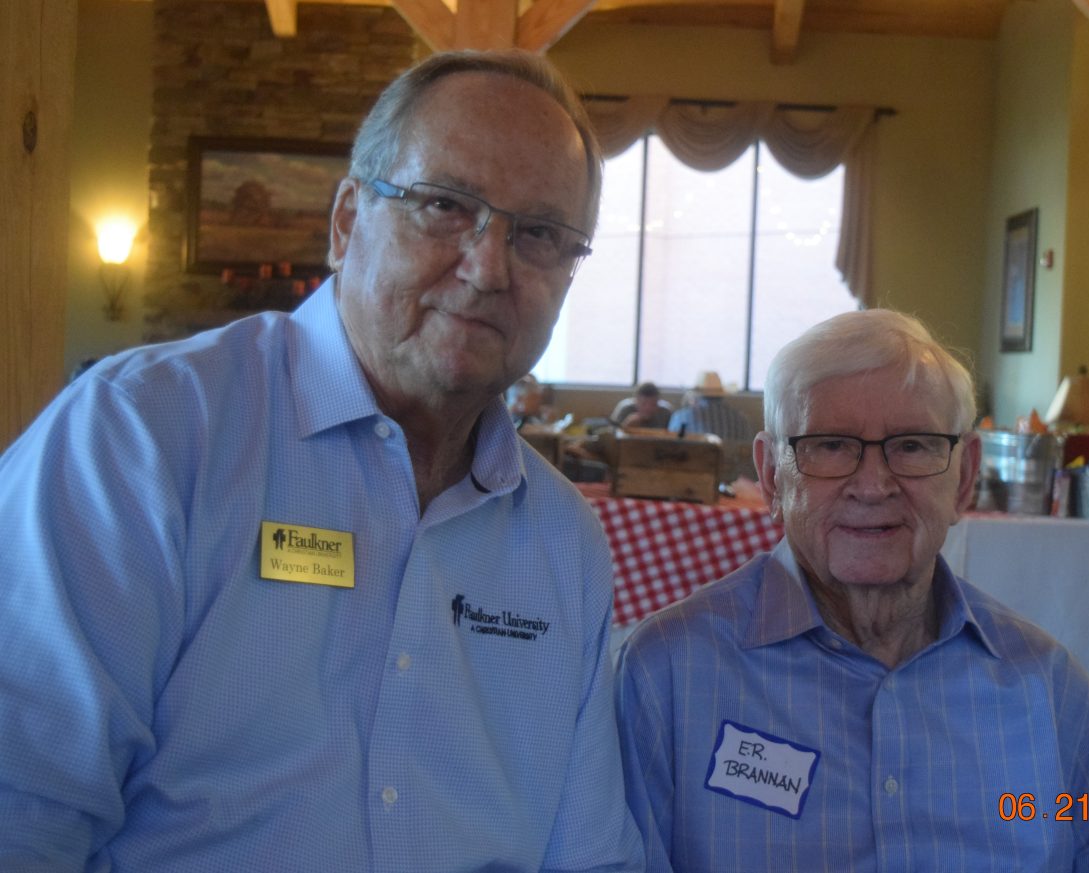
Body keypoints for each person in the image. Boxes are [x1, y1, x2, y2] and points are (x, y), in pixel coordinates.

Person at [0, 51, 643, 872]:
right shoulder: (144, 438)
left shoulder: (564, 538)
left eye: (541, 234)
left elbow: (588, 858)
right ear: (345, 224)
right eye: (444, 205)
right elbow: (23, 807)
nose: (488, 267)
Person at [615, 309, 1089, 871]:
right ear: (773, 477)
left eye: (913, 446)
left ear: (965, 477)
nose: (873, 485)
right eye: (829, 446)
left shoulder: (1046, 687)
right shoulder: (667, 676)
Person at [667, 370, 753, 442]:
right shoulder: (741, 419)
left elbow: (672, 447)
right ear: (722, 394)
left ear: (696, 395)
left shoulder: (681, 417)